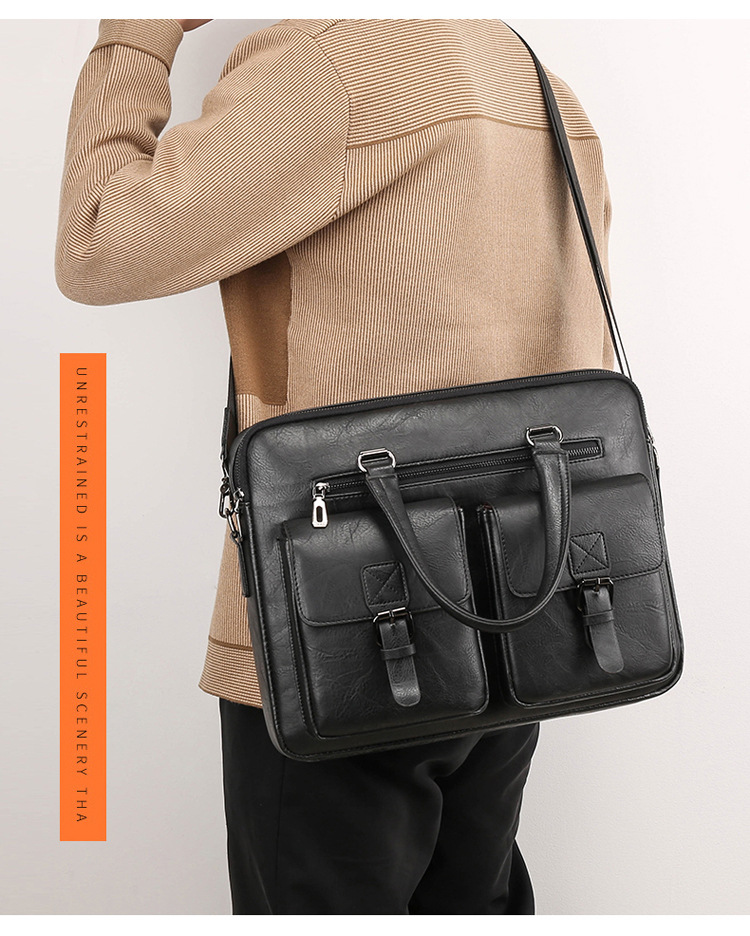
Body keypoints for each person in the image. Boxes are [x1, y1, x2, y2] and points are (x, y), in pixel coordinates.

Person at [56, 18, 615, 914]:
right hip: (524, 608)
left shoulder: (326, 67)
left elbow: (95, 243)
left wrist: (135, 37)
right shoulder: (537, 79)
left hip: (343, 620)